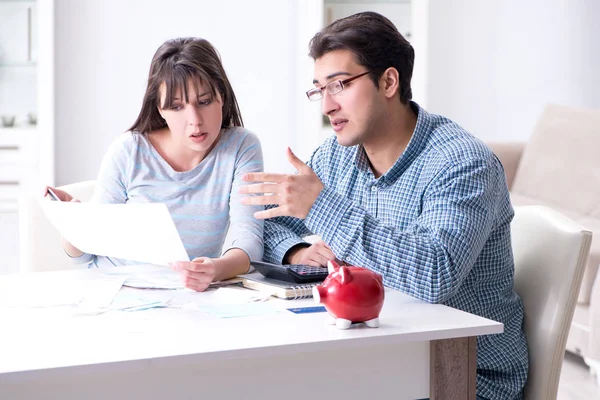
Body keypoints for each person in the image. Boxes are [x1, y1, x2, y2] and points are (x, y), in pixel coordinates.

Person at [239, 12, 527, 400]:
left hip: (460, 374)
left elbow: (434, 274)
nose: (326, 105)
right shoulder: (336, 157)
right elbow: (270, 224)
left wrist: (321, 207)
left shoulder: (462, 163)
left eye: (339, 85)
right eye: (318, 89)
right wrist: (298, 250)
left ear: (389, 81)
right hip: (376, 357)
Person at [46, 37, 264, 292]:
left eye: (204, 102)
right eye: (177, 107)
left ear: (222, 96)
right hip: (117, 290)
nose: (194, 120)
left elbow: (248, 238)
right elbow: (83, 256)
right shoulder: (128, 151)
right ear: (160, 109)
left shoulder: (241, 146)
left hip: (187, 297)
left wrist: (216, 269)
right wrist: (75, 225)